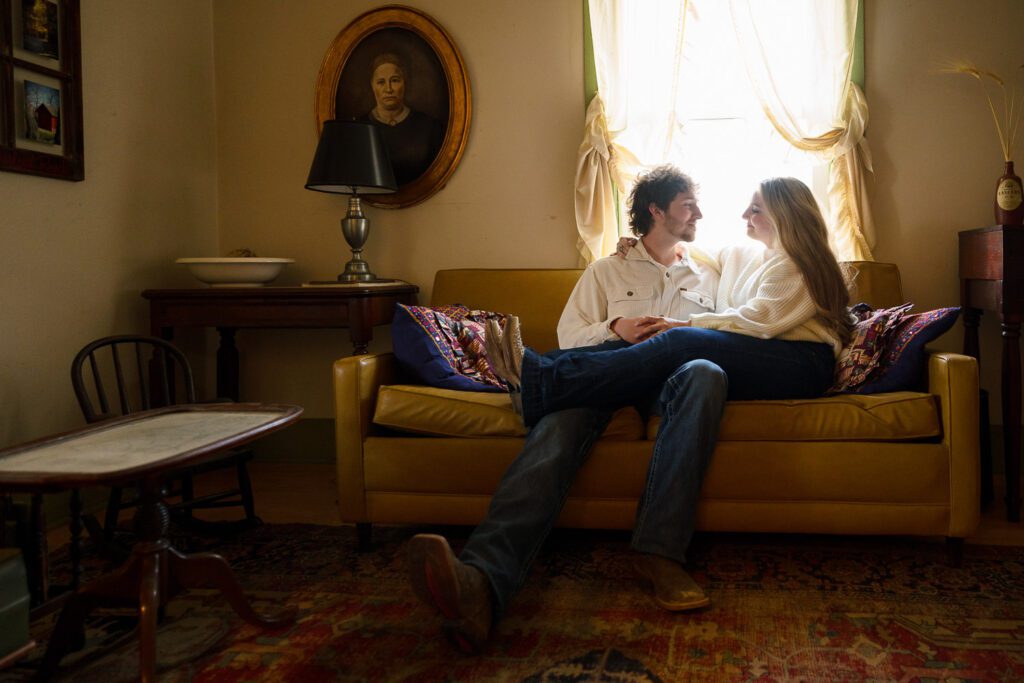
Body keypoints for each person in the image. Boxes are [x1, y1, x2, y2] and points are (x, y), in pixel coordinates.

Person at [406, 165, 723, 654]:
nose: (698, 213)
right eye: (687, 204)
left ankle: (660, 554)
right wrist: (615, 326)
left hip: (672, 382)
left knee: (705, 370)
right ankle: (480, 584)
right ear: (656, 211)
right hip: (602, 371)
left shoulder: (709, 273)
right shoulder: (606, 269)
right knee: (556, 432)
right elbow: (570, 337)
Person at [491, 175, 853, 433]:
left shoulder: (799, 261)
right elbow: (684, 249)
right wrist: (638, 244)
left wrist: (688, 326)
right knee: (667, 340)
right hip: (769, 359)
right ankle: (535, 369)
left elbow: (760, 321)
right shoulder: (750, 256)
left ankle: (538, 375)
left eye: (755, 209)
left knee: (677, 341)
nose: (744, 215)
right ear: (657, 210)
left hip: (801, 363)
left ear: (783, 215)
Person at [358, 52, 445, 185]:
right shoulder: (358, 128)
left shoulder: (429, 128)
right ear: (372, 85)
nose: (388, 89)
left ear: (405, 83)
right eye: (381, 82)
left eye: (395, 80)